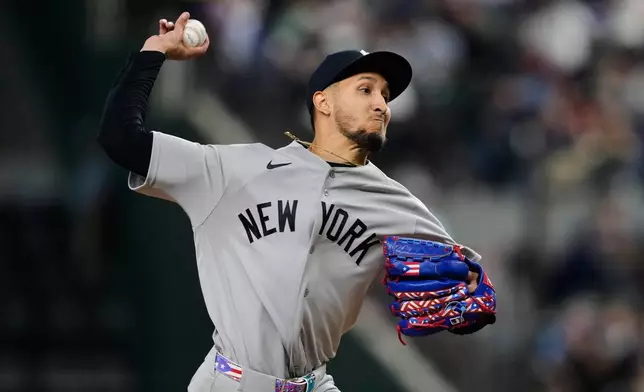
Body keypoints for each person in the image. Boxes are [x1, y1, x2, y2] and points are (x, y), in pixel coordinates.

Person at [98, 12, 487, 392]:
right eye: (366, 89)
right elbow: (121, 139)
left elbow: (471, 290)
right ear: (323, 102)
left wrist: (467, 298)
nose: (381, 105)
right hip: (230, 382)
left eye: (385, 96)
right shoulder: (236, 169)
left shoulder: (397, 205)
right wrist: (153, 52)